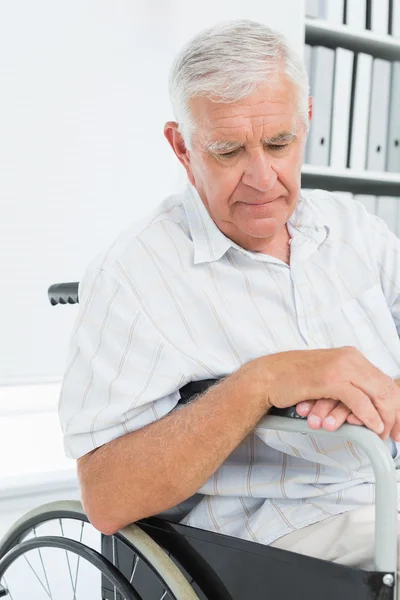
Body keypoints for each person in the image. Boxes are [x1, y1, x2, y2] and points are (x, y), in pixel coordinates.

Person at [58, 19, 400, 577]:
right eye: (228, 151)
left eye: (279, 143)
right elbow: (107, 497)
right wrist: (262, 383)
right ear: (181, 147)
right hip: (281, 541)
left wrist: (385, 395)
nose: (263, 178)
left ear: (306, 120)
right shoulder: (135, 274)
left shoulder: (351, 229)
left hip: (385, 502)